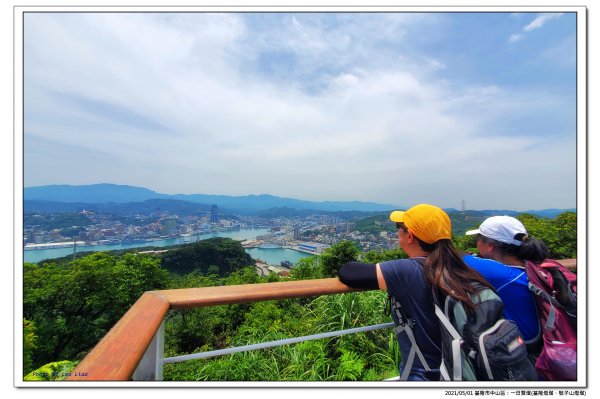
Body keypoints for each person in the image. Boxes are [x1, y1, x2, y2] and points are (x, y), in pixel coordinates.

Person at [338, 204, 494, 381]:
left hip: (424, 377)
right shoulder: (463, 265)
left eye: (399, 229)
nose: (397, 234)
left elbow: (348, 271)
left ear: (410, 235)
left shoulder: (409, 270)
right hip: (465, 371)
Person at [463, 216, 548, 349]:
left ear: (490, 246)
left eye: (478, 239)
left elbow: (453, 257)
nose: (476, 243)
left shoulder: (501, 274)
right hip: (537, 345)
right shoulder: (525, 267)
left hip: (523, 354)